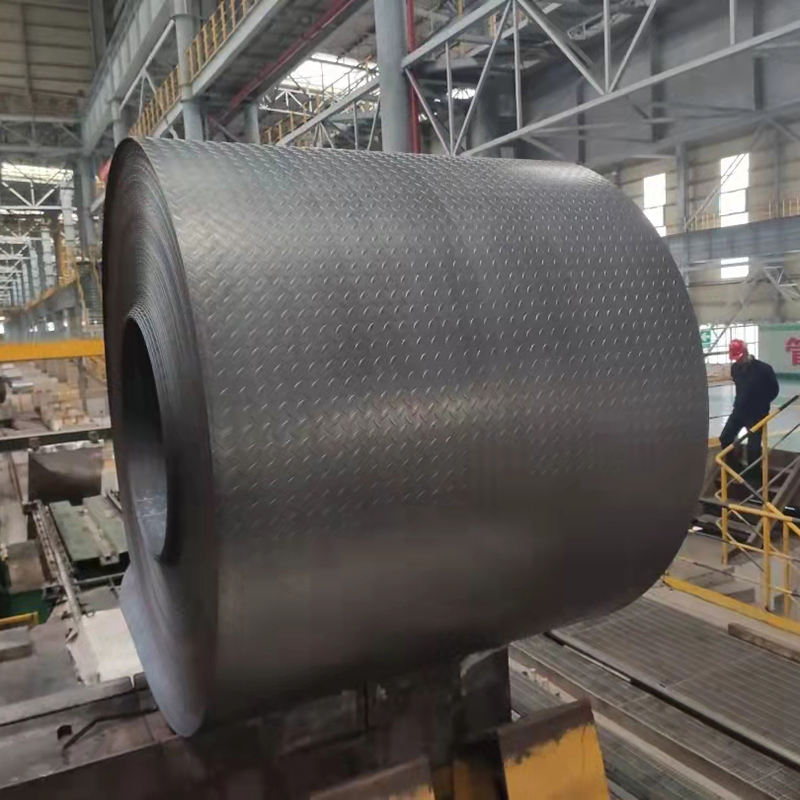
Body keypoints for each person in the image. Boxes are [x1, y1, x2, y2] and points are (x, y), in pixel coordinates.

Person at [719, 339, 779, 472]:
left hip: (757, 413)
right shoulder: (735, 368)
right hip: (739, 411)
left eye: (739, 357)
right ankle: (735, 468)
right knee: (725, 437)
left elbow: (774, 390)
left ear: (746, 352)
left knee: (753, 448)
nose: (737, 361)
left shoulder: (764, 369)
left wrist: (761, 403)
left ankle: (753, 476)